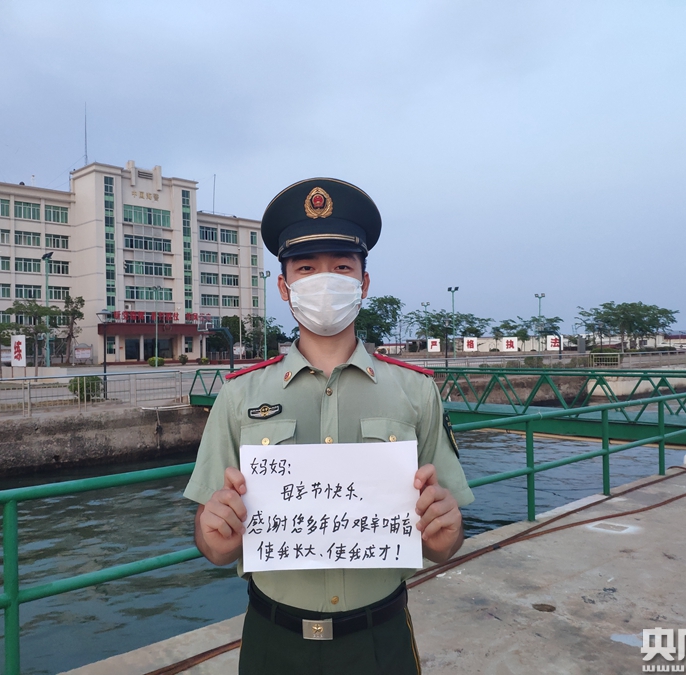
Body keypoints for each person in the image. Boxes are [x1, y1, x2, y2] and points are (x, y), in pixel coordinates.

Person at [183, 178, 474, 674]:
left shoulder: (416, 390)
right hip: (274, 642)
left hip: (380, 640)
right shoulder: (239, 395)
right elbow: (211, 543)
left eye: (341, 267)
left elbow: (445, 542)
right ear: (284, 287)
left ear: (363, 283)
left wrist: (446, 531)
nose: (325, 281)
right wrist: (216, 536)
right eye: (306, 268)